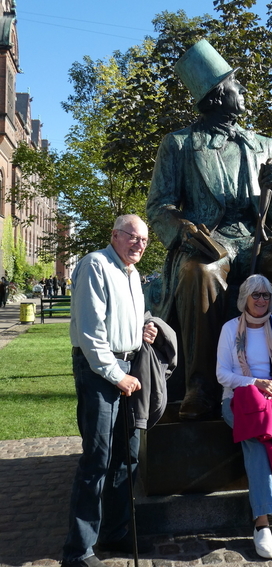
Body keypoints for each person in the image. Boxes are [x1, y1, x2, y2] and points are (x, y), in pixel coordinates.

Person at [146, 39, 272, 420]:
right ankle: (201, 387)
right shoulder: (178, 145)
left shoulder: (263, 145)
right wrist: (187, 233)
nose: (243, 92)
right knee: (200, 273)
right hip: (210, 240)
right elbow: (158, 207)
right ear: (216, 96)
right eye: (235, 85)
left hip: (256, 238)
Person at [62, 215, 158, 567]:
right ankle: (78, 550)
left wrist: (144, 327)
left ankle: (114, 533)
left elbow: (126, 316)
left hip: (127, 369)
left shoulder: (131, 275)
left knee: (127, 456)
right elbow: (91, 334)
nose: (139, 244)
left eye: (144, 240)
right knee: (97, 461)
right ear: (114, 234)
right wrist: (117, 375)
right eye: (133, 237)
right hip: (100, 373)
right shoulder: (95, 265)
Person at [217, 274, 272, 559]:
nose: (261, 301)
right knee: (256, 439)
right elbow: (222, 374)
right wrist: (255, 383)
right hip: (240, 401)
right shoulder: (231, 329)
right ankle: (262, 522)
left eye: (266, 295)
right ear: (245, 298)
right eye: (256, 295)